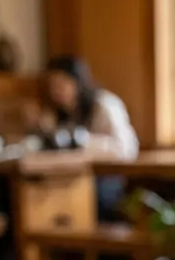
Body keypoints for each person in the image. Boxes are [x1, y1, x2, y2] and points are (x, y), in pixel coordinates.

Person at [37, 55, 138, 220]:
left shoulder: (104, 104)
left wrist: (82, 140)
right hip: (71, 176)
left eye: (61, 84)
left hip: (108, 178)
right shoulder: (58, 113)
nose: (56, 91)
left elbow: (125, 148)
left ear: (77, 81)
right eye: (52, 86)